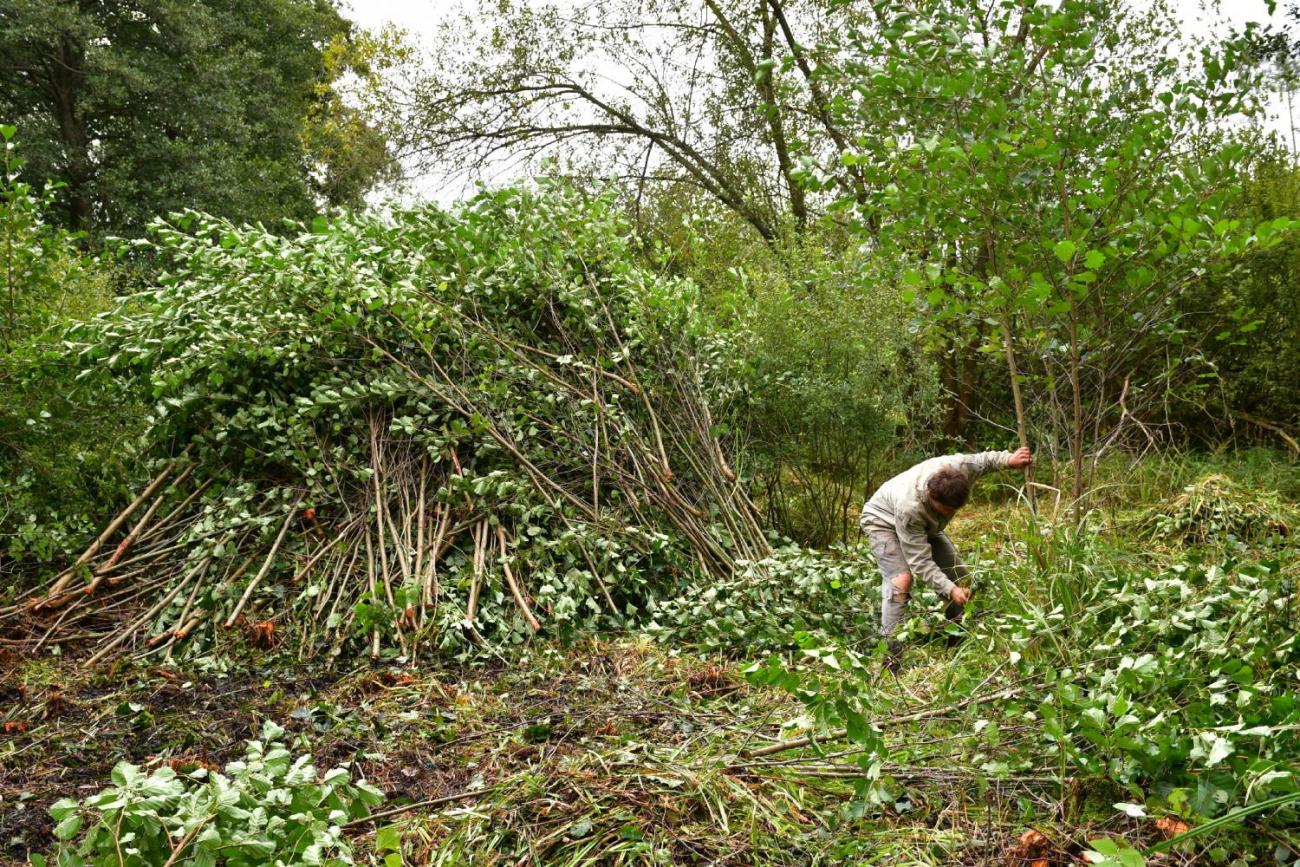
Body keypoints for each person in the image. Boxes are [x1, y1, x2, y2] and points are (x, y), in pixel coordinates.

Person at [860, 446, 1033, 670]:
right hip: (882, 521)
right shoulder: (910, 508)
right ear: (932, 497)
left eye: (954, 510)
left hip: (928, 526)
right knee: (900, 581)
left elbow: (982, 460)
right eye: (946, 510)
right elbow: (920, 562)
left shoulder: (957, 469)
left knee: (960, 577)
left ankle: (957, 638)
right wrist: (949, 590)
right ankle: (891, 657)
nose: (951, 515)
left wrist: (1009, 459)